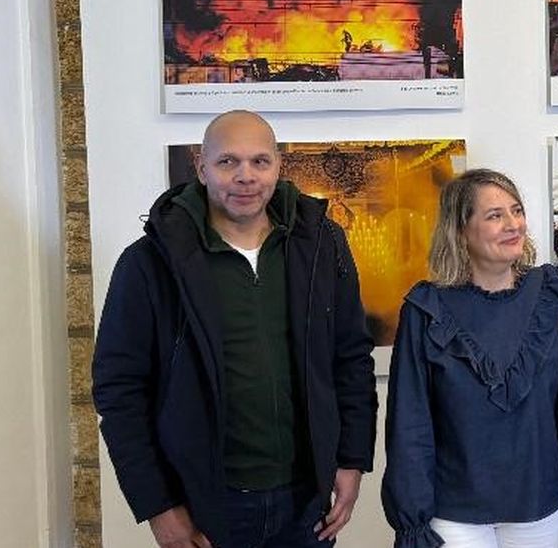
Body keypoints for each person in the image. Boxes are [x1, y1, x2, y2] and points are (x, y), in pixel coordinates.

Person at [93, 110, 377, 548]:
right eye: (228, 161)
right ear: (201, 168)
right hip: (208, 506)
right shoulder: (149, 262)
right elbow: (119, 391)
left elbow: (351, 358)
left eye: (260, 161)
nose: (246, 176)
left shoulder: (322, 244)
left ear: (278, 166)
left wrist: (352, 459)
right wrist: (158, 506)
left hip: (306, 501)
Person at [383, 169, 558, 547]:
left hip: (540, 502)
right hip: (454, 512)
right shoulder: (427, 309)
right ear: (460, 231)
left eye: (516, 211)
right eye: (494, 215)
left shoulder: (549, 295)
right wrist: (412, 519)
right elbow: (410, 423)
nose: (513, 224)